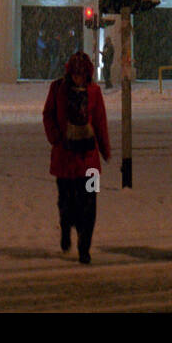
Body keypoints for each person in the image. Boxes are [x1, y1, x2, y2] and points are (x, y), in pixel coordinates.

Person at [42, 50, 110, 264]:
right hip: (65, 158)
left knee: (89, 206)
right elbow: (48, 114)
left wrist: (105, 149)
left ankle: (84, 246)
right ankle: (66, 228)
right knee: (67, 203)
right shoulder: (57, 90)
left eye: (82, 74)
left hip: (89, 160)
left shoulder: (94, 92)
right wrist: (55, 138)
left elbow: (100, 121)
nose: (78, 78)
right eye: (75, 74)